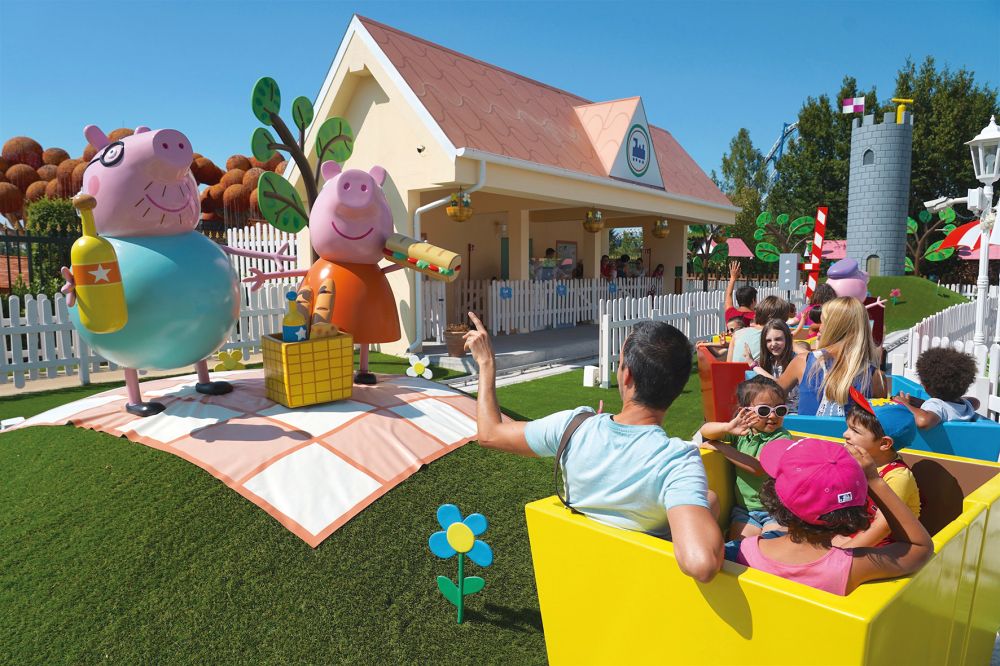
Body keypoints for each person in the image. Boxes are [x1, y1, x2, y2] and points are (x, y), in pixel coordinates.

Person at [463, 313, 724, 582]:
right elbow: (701, 564)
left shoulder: (573, 426)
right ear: (678, 388)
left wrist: (486, 363)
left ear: (627, 376)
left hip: (577, 576)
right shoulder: (677, 461)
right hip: (641, 585)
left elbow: (490, 434)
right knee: (711, 499)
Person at [732, 437, 933, 596]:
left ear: (776, 497)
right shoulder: (851, 566)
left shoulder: (741, 552)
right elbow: (920, 548)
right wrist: (873, 479)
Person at [698, 376, 791, 540]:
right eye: (764, 410)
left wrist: (723, 448)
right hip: (745, 511)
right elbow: (705, 431)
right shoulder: (742, 432)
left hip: (775, 510)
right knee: (739, 545)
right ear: (746, 412)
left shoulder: (781, 437)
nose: (773, 416)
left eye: (780, 410)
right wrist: (727, 427)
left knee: (772, 542)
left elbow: (758, 468)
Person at [833, 391, 920, 548]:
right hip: (859, 531)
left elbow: (883, 527)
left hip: (891, 544)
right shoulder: (856, 460)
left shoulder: (898, 477)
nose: (845, 434)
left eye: (855, 431)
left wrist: (845, 552)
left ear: (884, 444)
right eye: (848, 427)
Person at [777, 297, 887, 416]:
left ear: (833, 327)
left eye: (823, 322)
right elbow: (879, 420)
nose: (820, 327)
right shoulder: (876, 377)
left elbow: (771, 396)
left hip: (803, 429)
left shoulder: (803, 362)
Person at [897, 347, 980, 427]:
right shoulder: (967, 406)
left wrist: (906, 404)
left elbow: (923, 421)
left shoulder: (935, 406)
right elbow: (976, 402)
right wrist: (924, 403)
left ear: (926, 386)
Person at [747, 319, 803, 413]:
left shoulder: (796, 360)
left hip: (793, 412)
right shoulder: (768, 361)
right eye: (768, 340)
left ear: (787, 339)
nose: (773, 344)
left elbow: (779, 386)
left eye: (778, 339)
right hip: (772, 410)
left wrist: (754, 366)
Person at [727, 296, 790, 364]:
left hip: (735, 370)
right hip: (757, 370)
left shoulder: (737, 334)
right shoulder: (771, 336)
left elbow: (728, 364)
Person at [723, 260, 756, 326]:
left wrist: (732, 278)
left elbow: (728, 295)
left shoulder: (730, 314)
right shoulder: (757, 318)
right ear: (753, 300)